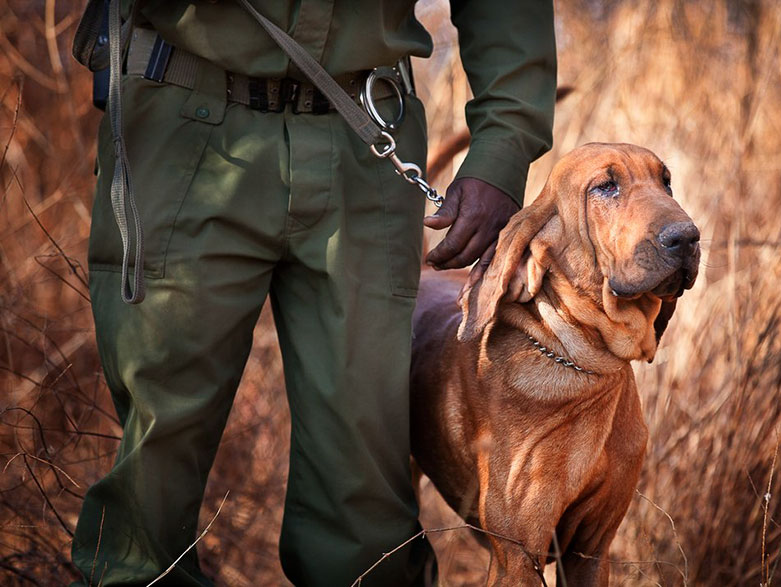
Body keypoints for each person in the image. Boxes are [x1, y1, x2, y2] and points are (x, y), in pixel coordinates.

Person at [71, 1, 556, 585]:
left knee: (364, 496)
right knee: (156, 460)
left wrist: (502, 150)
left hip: (367, 132)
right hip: (181, 122)